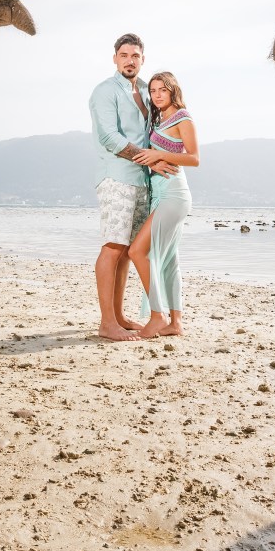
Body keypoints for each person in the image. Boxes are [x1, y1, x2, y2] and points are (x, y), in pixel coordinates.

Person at [88, 34, 177, 340]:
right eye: (124, 55)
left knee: (126, 251)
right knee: (113, 246)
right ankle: (106, 323)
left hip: (141, 180)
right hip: (116, 176)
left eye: (135, 56)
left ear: (143, 59)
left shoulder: (145, 89)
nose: (129, 60)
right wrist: (149, 161)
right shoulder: (104, 91)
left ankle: (119, 315)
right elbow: (109, 138)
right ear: (115, 58)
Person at [129, 72, 198, 338]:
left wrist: (159, 154)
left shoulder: (183, 118)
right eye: (154, 90)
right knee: (169, 261)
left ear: (173, 91)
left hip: (174, 194)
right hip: (159, 194)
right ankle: (175, 323)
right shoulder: (158, 118)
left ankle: (157, 316)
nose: (157, 95)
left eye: (163, 90)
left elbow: (194, 158)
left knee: (137, 251)